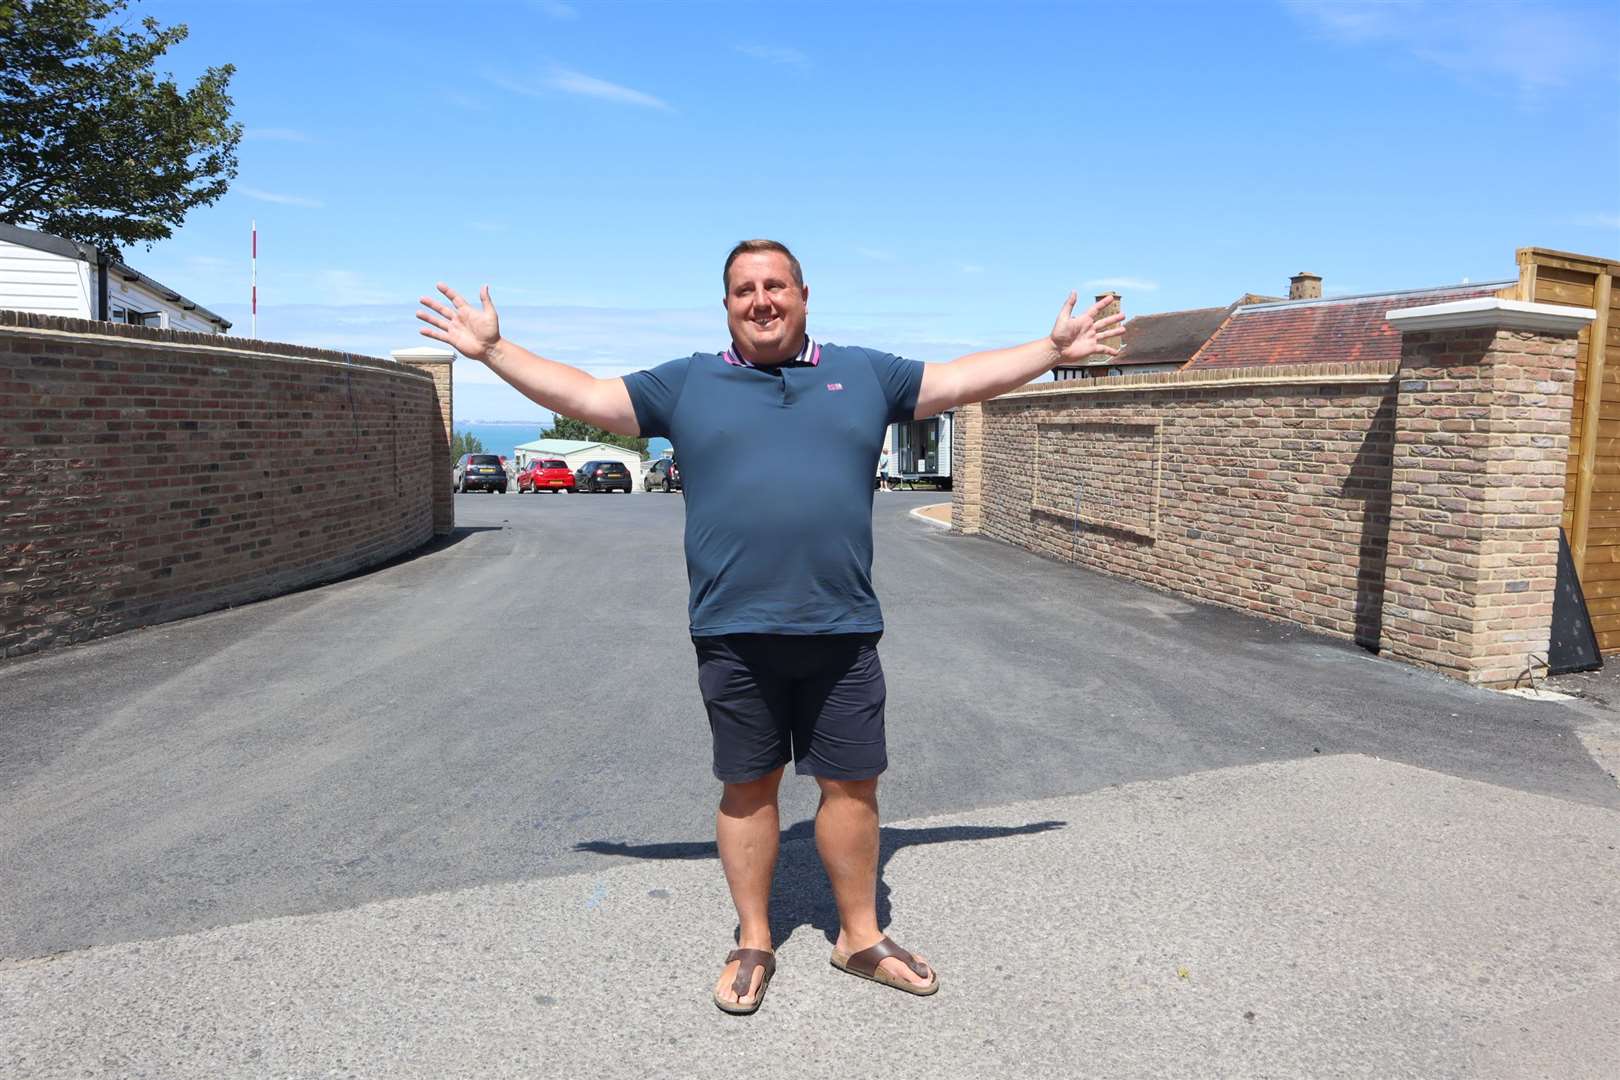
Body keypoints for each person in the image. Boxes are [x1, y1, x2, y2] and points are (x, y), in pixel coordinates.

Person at [416, 239, 1124, 1015]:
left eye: (775, 286)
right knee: (748, 789)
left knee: (853, 786)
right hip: (733, 629)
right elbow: (587, 396)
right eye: (745, 289)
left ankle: (858, 936)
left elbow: (958, 379)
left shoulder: (865, 373)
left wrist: (1052, 349)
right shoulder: (688, 382)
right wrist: (490, 351)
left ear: (803, 294)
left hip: (842, 627)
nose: (762, 300)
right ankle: (754, 938)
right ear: (726, 304)